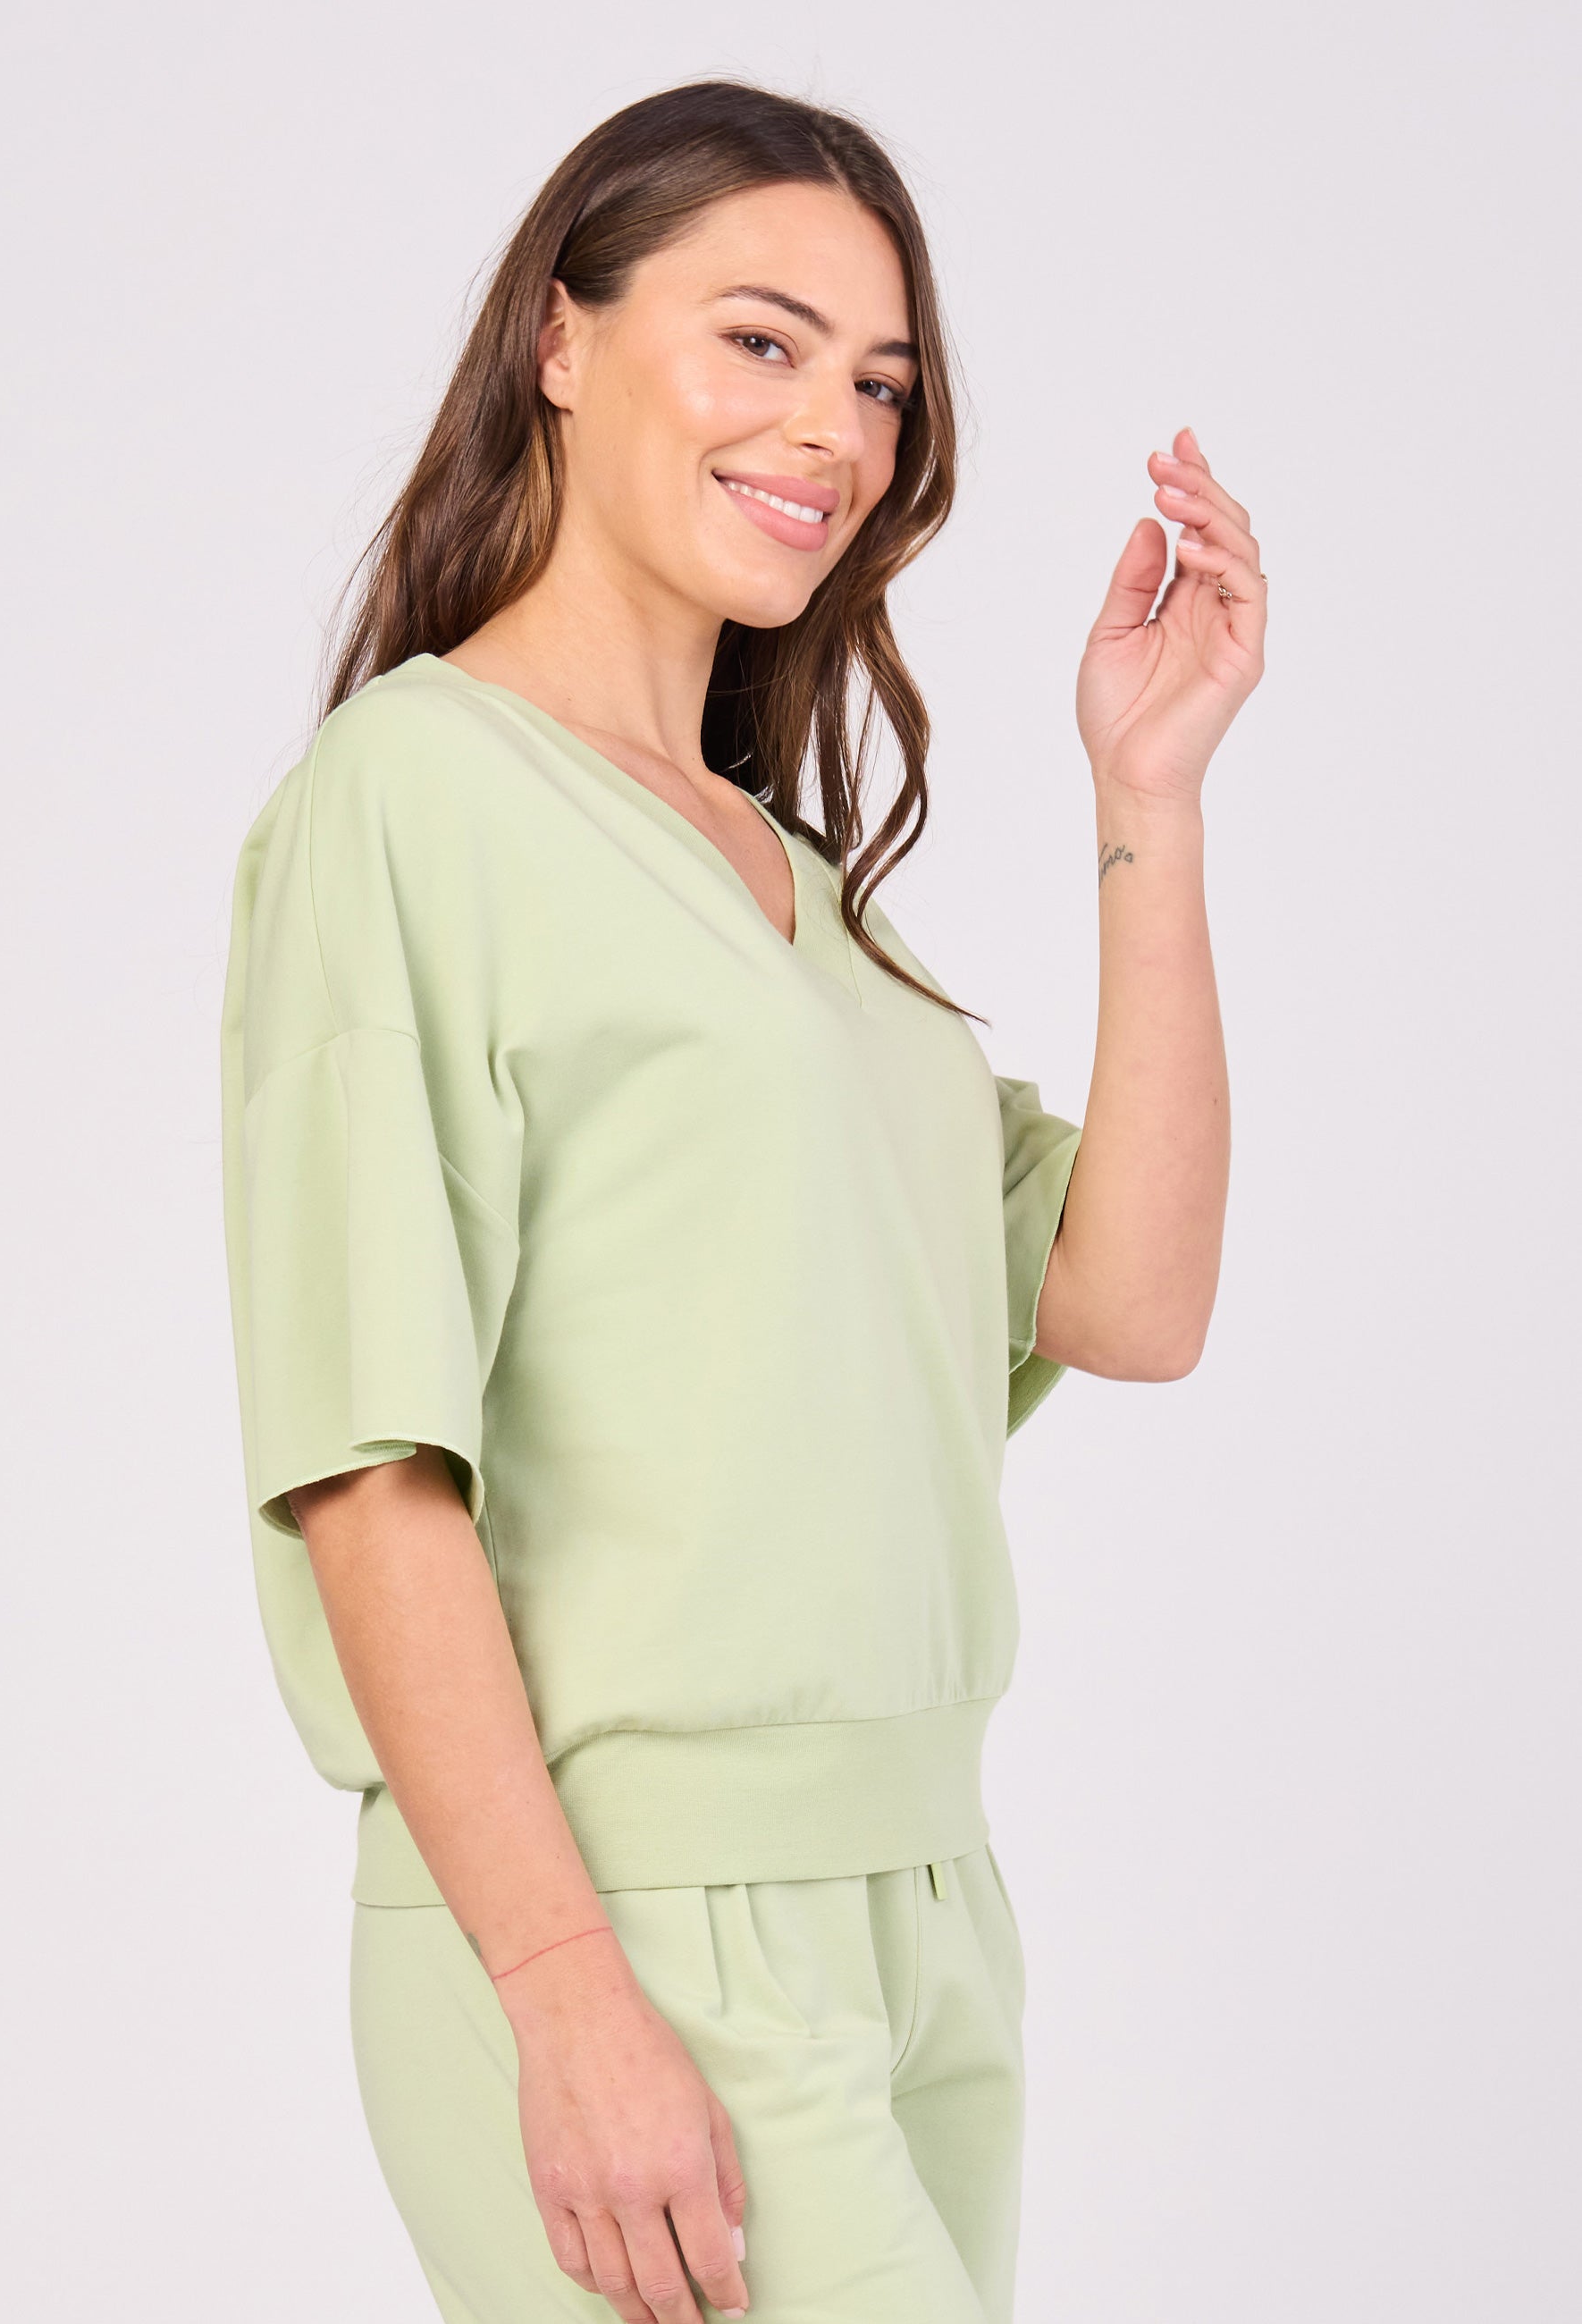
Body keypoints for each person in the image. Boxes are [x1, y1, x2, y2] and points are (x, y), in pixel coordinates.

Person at [218, 75, 1261, 2324]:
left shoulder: (796, 888)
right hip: (626, 1922)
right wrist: (563, 1987)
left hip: (923, 1904)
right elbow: (371, 1463)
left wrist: (1152, 797)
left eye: (879, 382)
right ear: (559, 338)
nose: (834, 430)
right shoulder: (411, 796)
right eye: (762, 342)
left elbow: (1131, 1297)